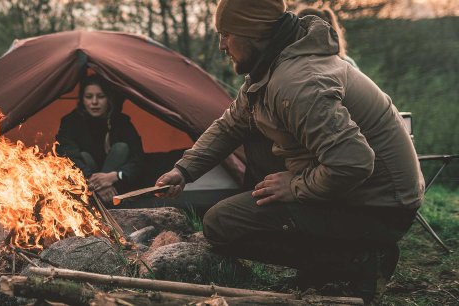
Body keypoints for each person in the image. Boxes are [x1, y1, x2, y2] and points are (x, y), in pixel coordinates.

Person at [153, 0, 422, 303]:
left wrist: (295, 187)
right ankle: (328, 263)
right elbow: (230, 125)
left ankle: (359, 261)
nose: (221, 46)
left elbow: (354, 162)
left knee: (221, 224)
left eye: (227, 34)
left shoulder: (298, 81)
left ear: (253, 32)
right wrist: (184, 170)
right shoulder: (272, 67)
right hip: (363, 192)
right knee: (252, 135)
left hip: (379, 207)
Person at [56, 75, 145, 205]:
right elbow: (67, 154)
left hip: (116, 184)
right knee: (83, 156)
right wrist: (94, 180)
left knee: (121, 148)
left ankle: (104, 195)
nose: (94, 102)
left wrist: (114, 176)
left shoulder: (121, 122)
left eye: (101, 96)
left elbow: (138, 158)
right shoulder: (71, 122)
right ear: (82, 100)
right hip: (86, 182)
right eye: (89, 97)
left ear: (109, 99)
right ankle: (101, 194)